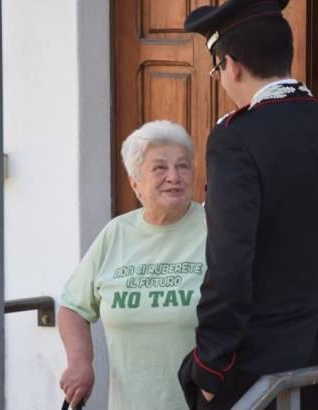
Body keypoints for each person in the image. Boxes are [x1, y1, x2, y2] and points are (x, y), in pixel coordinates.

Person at [178, 1, 318, 409]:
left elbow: (230, 264)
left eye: (217, 71)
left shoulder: (236, 137)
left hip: (266, 369)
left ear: (231, 65)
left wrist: (211, 367)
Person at [58, 120, 207, 410]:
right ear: (134, 181)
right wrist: (79, 362)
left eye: (183, 166)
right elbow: (73, 306)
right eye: (160, 168)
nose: (174, 177)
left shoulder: (216, 229)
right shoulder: (117, 233)